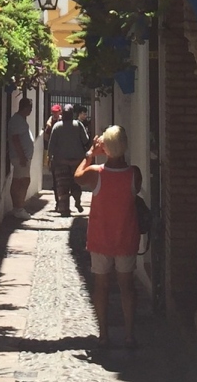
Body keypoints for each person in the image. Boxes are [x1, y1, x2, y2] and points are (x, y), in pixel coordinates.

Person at [74, 125, 142, 349]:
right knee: (127, 287)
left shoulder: (96, 174)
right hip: (126, 238)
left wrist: (90, 154)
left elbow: (77, 177)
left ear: (105, 147)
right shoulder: (134, 174)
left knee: (101, 287)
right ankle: (130, 334)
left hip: (100, 239)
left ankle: (103, 334)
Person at [47, 104, 90, 217]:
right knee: (76, 184)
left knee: (62, 186)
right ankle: (77, 201)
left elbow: (51, 145)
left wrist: (49, 158)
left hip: (61, 162)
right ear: (72, 114)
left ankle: (64, 209)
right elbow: (86, 140)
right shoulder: (78, 125)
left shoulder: (57, 126)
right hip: (76, 162)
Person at [7, 97, 34, 219]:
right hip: (20, 158)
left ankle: (18, 207)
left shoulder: (21, 120)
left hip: (22, 157)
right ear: (25, 108)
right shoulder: (17, 120)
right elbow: (16, 139)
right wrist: (22, 156)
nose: (31, 111)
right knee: (22, 181)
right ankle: (19, 208)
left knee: (21, 180)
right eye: (30, 108)